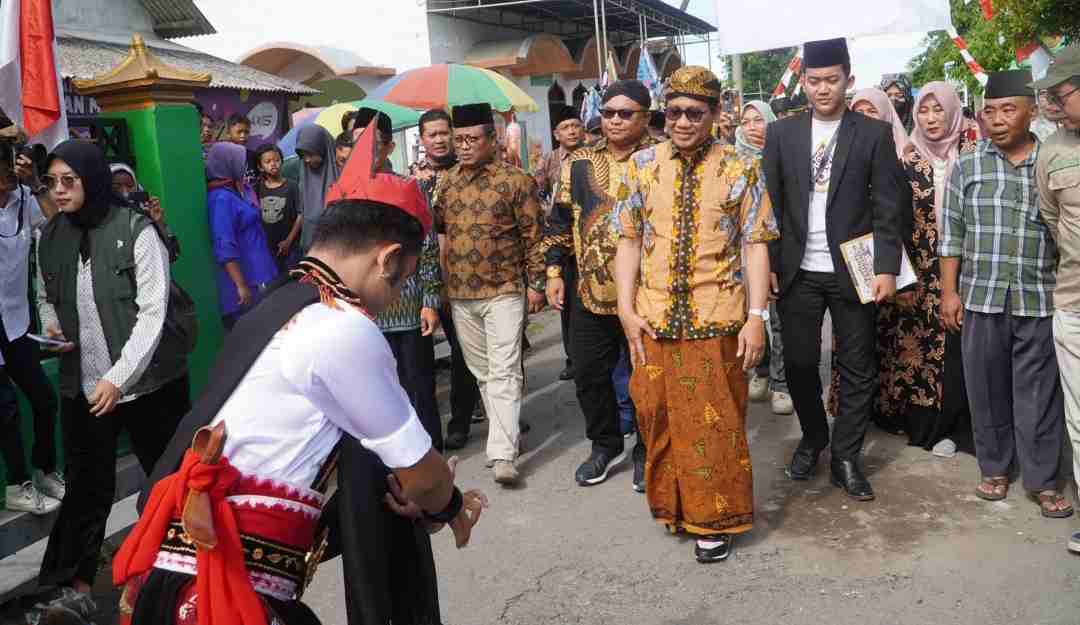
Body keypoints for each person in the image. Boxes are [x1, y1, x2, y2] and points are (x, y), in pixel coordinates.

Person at [111, 121, 486, 625]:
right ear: (388, 258)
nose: (396, 295)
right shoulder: (343, 329)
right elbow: (423, 478)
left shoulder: (281, 304)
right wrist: (451, 505)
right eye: (402, 280)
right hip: (220, 593)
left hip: (185, 577)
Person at [613, 66, 776, 563]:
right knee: (656, 416)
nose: (682, 122)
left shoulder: (740, 169)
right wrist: (624, 307)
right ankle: (675, 506)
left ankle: (715, 519)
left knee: (715, 424)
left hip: (716, 318)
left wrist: (756, 316)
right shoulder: (641, 166)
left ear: (715, 114)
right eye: (674, 112)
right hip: (653, 318)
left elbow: (756, 245)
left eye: (695, 113)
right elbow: (629, 240)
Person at [33, 141, 191, 618]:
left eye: (68, 181)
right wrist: (54, 327)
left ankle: (192, 572)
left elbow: (152, 314)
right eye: (51, 182)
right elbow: (45, 296)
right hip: (84, 385)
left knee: (171, 481)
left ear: (92, 179)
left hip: (149, 385)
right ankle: (69, 587)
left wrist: (120, 378)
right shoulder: (50, 237)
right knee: (86, 487)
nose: (58, 192)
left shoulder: (137, 230)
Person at [763, 38, 902, 501]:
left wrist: (886, 267)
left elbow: (888, 205)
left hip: (855, 270)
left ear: (849, 80)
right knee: (800, 364)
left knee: (858, 367)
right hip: (797, 269)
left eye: (832, 80)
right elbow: (771, 206)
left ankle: (846, 456)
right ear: (803, 82)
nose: (823, 89)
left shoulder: (872, 134)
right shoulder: (782, 134)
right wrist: (767, 265)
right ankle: (814, 438)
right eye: (814, 80)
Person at [940, 69, 1071, 518]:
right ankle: (994, 468)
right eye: (989, 111)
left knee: (1038, 392)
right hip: (981, 297)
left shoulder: (1050, 161)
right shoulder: (969, 165)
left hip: (1039, 295)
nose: (997, 120)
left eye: (1008, 109)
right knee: (986, 387)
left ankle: (1042, 480)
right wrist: (948, 293)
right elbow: (951, 235)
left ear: (1031, 111)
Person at [545, 80, 656, 489]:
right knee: (590, 373)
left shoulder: (659, 159)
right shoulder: (579, 163)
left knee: (646, 377)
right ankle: (604, 446)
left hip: (646, 294)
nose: (614, 120)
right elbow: (558, 222)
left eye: (625, 113)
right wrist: (554, 272)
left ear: (645, 117)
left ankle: (647, 449)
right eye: (608, 112)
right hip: (589, 290)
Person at [433, 103, 546, 485]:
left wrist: (538, 286)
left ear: (492, 140)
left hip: (505, 289)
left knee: (505, 369)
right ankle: (506, 433)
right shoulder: (446, 183)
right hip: (461, 293)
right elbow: (440, 238)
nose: (463, 146)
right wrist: (439, 290)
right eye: (458, 139)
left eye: (471, 139)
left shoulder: (516, 181)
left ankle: (502, 453)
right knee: (484, 373)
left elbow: (534, 238)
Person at [872, 82, 977, 457]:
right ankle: (927, 426)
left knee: (960, 348)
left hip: (968, 268)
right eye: (924, 111)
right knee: (920, 349)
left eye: (939, 111)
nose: (931, 119)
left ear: (953, 112)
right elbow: (892, 218)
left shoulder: (973, 153)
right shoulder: (906, 157)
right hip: (918, 269)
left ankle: (961, 428)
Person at [411, 109, 483, 451]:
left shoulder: (465, 173)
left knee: (467, 353)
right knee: (421, 362)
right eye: (432, 134)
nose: (440, 139)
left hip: (466, 277)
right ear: (422, 139)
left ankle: (463, 421)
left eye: (444, 133)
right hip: (423, 283)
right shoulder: (411, 180)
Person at [1032, 45, 1080, 551]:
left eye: (1060, 95)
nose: (1054, 106)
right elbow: (1052, 220)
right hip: (1073, 301)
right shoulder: (1054, 151)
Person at [0, 143, 62, 515]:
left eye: (11, 162)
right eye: (4, 165)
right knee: (5, 409)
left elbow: (58, 228)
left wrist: (36, 185)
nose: (10, 170)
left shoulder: (24, 197)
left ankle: (45, 470)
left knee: (43, 398)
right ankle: (16, 483)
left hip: (15, 320)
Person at [735, 100, 793, 416]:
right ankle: (762, 369)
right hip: (740, 252)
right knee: (750, 313)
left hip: (777, 247)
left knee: (779, 315)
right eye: (746, 121)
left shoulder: (782, 156)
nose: (752, 127)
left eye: (759, 120)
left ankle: (782, 384)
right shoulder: (731, 160)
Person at [206, 142, 279, 329]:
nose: (244, 167)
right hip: (247, 281)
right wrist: (241, 285)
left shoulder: (239, 188)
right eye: (239, 161)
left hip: (262, 273)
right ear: (226, 163)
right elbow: (224, 245)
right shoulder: (221, 198)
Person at [536, 105, 584, 382]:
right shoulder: (550, 160)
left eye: (575, 125)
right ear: (556, 133)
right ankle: (572, 358)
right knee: (565, 303)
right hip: (562, 239)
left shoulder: (595, 154)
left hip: (590, 240)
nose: (572, 131)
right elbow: (538, 190)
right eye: (566, 127)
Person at [254, 144, 302, 273]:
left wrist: (288, 241)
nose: (273, 164)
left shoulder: (292, 186)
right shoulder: (257, 188)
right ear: (260, 166)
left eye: (276, 160)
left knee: (293, 278)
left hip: (291, 246)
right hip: (268, 246)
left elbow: (300, 214)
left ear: (282, 161)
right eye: (267, 162)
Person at [296, 126, 341, 252]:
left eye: (310, 153)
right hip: (311, 249)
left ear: (323, 149)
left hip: (337, 246)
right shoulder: (304, 172)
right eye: (303, 155)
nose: (307, 159)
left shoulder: (342, 172)